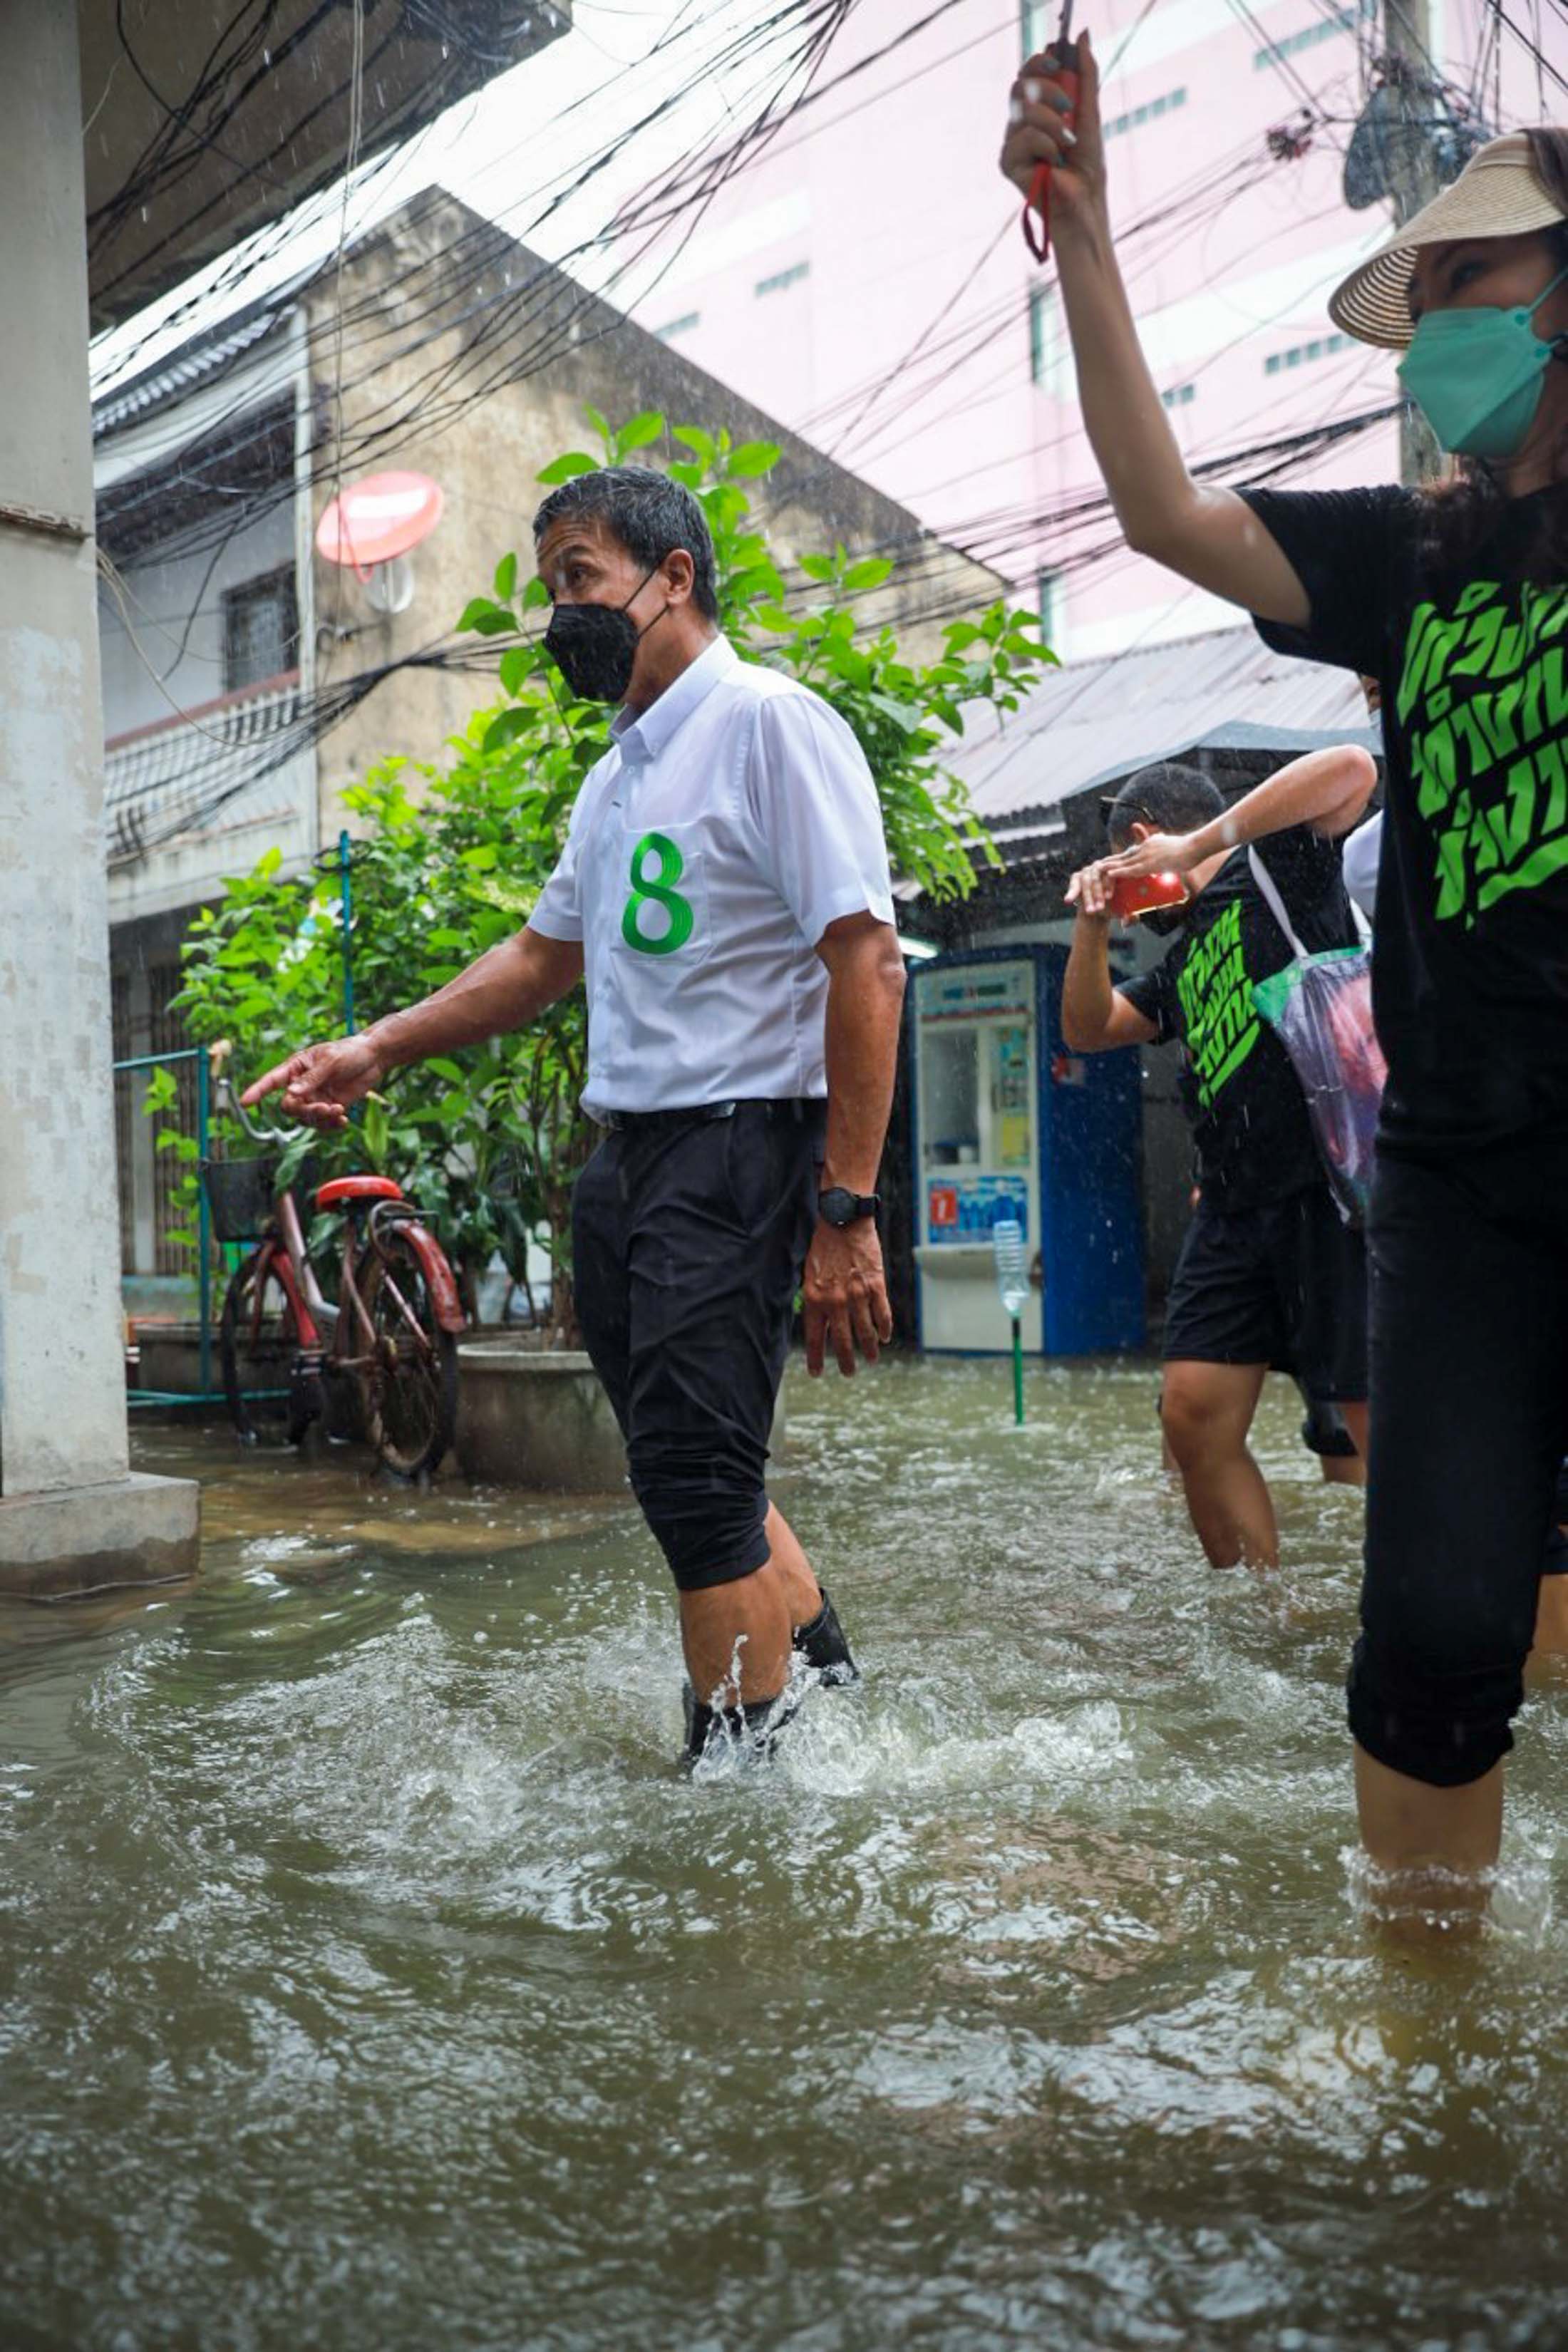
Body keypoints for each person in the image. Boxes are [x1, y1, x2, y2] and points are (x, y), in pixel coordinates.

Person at [1001, 58, 1568, 1917]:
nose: (1438, 339)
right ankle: (1431, 2054)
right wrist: (1079, 233)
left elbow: (1325, 793)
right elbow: (1163, 507)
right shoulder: (1420, 562)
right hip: (1459, 1181)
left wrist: (1200, 840)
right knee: (1427, 1635)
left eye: (1473, 289)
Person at [244, 465, 907, 1767]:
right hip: (629, 1165)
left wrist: (846, 1207)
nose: (561, 614)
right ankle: (827, 1689)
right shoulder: (619, 777)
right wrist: (378, 1045)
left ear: (674, 577)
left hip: (739, 1147)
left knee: (698, 1481)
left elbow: (866, 961)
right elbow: (542, 961)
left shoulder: (768, 724)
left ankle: (737, 1787)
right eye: (551, 587)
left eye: (581, 578)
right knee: (685, 1457)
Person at [1064, 751, 1376, 1570]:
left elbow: (1349, 770)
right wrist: (1091, 922)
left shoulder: (1281, 863)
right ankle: (1268, 1615)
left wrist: (1197, 841)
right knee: (1193, 1414)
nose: (1129, 908)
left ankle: (1440, 1611)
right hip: (1232, 1206)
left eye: (1118, 881)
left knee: (1376, 1419)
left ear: (1142, 841)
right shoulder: (1174, 967)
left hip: (1333, 1188)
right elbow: (1087, 1027)